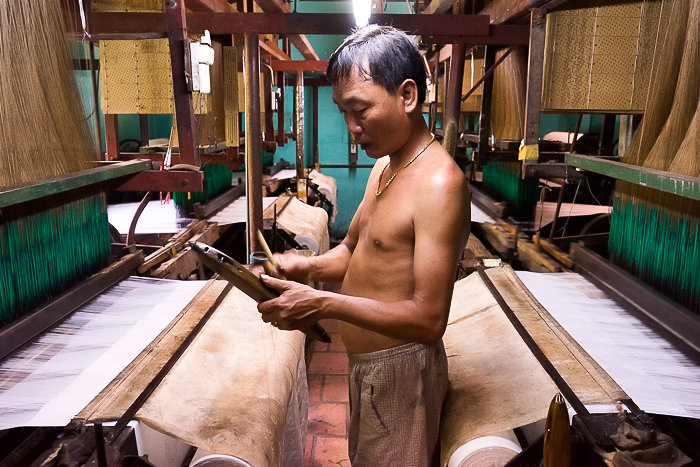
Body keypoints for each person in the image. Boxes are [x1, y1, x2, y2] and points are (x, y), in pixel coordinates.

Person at [258, 25, 471, 467]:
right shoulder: (386, 167)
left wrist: (324, 305)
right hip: (367, 366)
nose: (352, 128)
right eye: (343, 112)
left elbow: (430, 320)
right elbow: (353, 252)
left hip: (401, 371)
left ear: (407, 96)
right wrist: (304, 267)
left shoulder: (439, 184)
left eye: (360, 110)